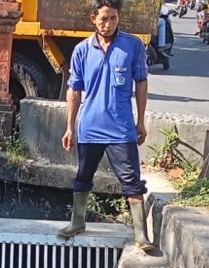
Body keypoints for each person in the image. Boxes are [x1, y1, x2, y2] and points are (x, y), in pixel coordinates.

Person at [59, 0, 154, 252]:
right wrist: (70, 127)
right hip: (89, 126)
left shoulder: (132, 45)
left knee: (132, 180)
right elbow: (74, 90)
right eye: (103, 18)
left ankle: (141, 235)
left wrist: (141, 120)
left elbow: (141, 82)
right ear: (93, 18)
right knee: (83, 177)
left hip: (121, 128)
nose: (108, 24)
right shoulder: (81, 50)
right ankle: (77, 222)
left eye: (113, 18)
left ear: (118, 17)